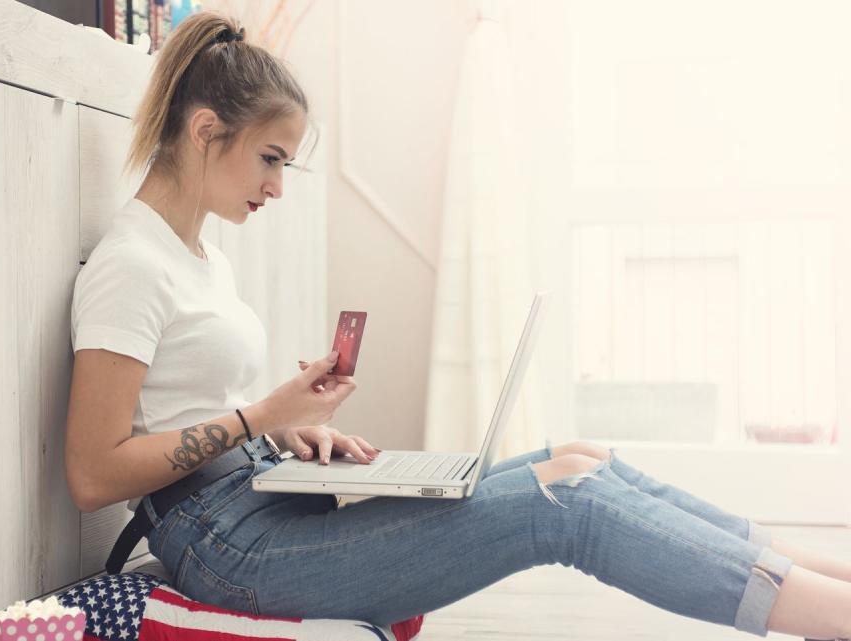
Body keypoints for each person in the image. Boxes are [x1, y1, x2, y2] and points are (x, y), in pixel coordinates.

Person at [65, 11, 851, 640]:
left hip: (261, 499)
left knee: (577, 455)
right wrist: (263, 416)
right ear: (206, 131)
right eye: (271, 159)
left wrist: (284, 436)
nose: (277, 185)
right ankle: (829, 616)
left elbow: (189, 416)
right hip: (229, 549)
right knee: (565, 502)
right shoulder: (132, 266)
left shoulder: (198, 255)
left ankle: (813, 573)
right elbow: (95, 473)